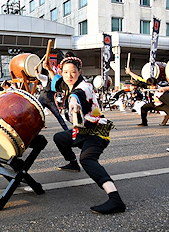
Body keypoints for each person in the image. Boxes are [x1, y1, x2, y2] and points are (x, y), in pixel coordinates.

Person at [53, 55, 126, 214]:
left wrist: (73, 102)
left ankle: (115, 199)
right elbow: (57, 82)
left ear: (79, 72)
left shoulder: (84, 86)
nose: (69, 75)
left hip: (96, 133)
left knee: (87, 159)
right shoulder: (68, 85)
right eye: (65, 72)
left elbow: (77, 95)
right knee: (59, 138)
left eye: (73, 72)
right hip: (80, 131)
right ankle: (72, 164)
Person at [35, 54, 69, 130]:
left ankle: (66, 129)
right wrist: (36, 70)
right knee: (36, 114)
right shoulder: (45, 78)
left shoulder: (56, 83)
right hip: (42, 100)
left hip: (51, 101)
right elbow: (38, 76)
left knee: (58, 115)